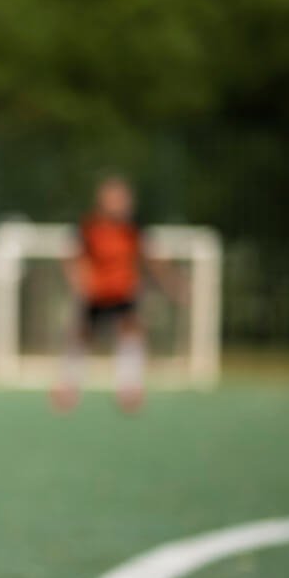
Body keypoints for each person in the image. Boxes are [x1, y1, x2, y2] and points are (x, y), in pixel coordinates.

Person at [52, 175, 184, 414]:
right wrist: (78, 280)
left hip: (123, 291)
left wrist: (172, 282)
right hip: (96, 292)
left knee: (131, 334)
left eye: (122, 198)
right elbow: (72, 256)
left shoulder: (134, 228)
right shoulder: (89, 227)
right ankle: (67, 386)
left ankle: (129, 388)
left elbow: (152, 258)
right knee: (80, 336)